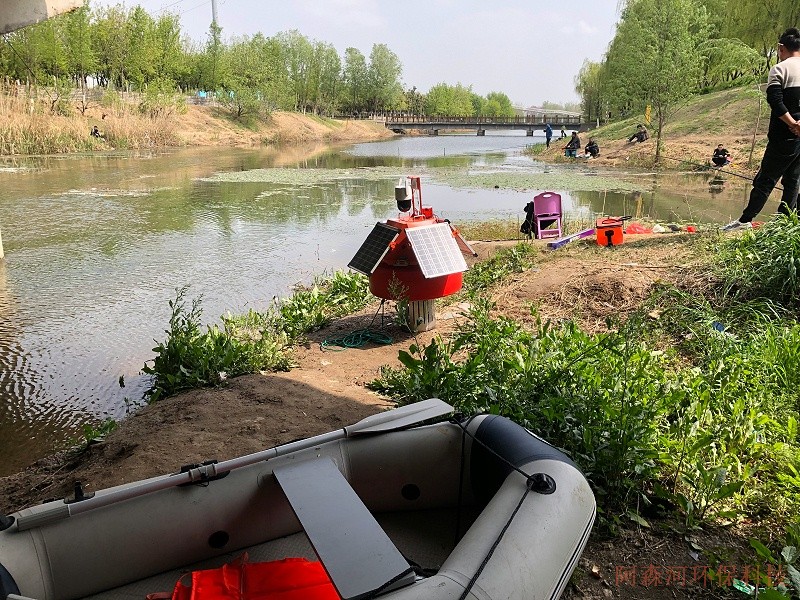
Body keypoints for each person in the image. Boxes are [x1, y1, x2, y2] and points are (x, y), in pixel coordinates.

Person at [722, 28, 800, 231]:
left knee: (765, 179)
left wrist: (792, 124)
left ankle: (745, 221)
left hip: (784, 136)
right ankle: (785, 224)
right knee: (793, 180)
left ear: (781, 48)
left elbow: (775, 100)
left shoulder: (780, 69)